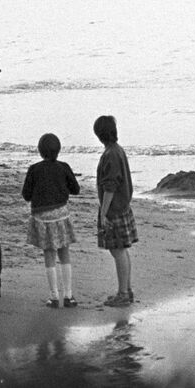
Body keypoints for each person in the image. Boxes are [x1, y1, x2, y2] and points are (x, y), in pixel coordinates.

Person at [22, 132, 81, 308]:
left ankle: (54, 297)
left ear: (40, 151)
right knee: (64, 252)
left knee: (49, 253)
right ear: (58, 150)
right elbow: (75, 189)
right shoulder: (64, 167)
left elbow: (26, 195)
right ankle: (69, 296)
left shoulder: (33, 169)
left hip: (41, 217)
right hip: (60, 214)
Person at [94, 115, 136, 307]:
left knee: (117, 251)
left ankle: (123, 293)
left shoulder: (110, 154)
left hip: (114, 209)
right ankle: (126, 290)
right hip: (122, 206)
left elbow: (110, 187)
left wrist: (103, 213)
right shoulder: (117, 150)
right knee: (121, 250)